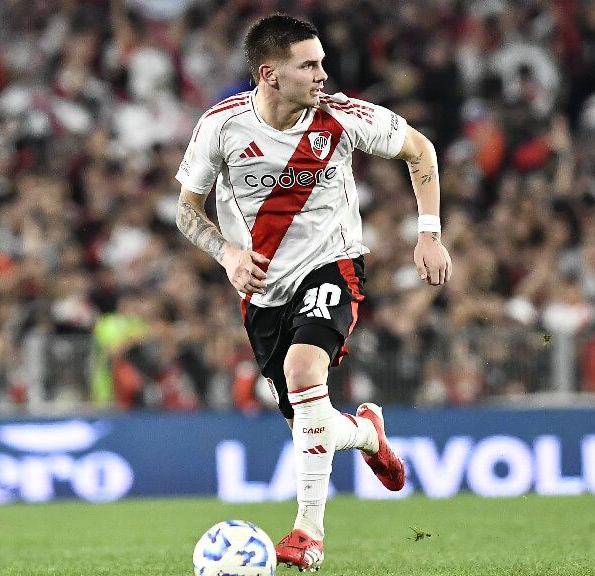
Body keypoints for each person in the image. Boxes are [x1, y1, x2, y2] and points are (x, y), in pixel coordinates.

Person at [175, 14, 450, 571]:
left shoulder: (344, 117)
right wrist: (227, 253)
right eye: (310, 65)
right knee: (308, 419)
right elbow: (187, 209)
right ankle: (367, 434)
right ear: (269, 74)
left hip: (334, 266)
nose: (323, 74)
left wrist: (429, 235)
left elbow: (420, 151)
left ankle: (308, 533)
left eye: (323, 61)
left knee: (304, 374)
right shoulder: (222, 126)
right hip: (262, 292)